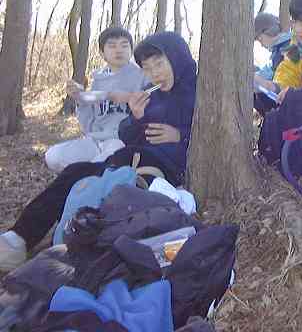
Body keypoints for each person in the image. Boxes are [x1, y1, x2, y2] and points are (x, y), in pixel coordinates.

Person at [0, 31, 197, 272]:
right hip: (129, 158)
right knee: (75, 173)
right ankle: (19, 238)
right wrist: (136, 117)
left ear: (176, 57)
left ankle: (70, 251)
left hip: (159, 170)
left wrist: (181, 135)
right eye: (147, 68)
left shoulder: (200, 91)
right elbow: (126, 135)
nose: (155, 73)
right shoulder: (151, 93)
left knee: (107, 194)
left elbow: (215, 135)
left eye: (159, 64)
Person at [45, 27, 146, 173]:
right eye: (112, 45)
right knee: (53, 156)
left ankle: (89, 175)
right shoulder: (98, 80)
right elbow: (89, 126)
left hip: (121, 141)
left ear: (131, 50)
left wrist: (128, 97)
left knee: (107, 159)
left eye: (124, 45)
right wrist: (80, 98)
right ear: (102, 53)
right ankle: (91, 173)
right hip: (95, 140)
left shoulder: (142, 76)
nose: (119, 50)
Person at [253, 13, 291, 115]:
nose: (261, 44)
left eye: (260, 39)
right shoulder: (277, 51)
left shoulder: (288, 47)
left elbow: (288, 82)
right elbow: (268, 71)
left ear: (269, 32)